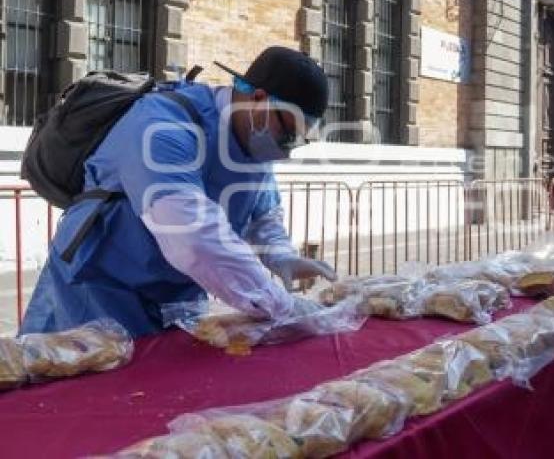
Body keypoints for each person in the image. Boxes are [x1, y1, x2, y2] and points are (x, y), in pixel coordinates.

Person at [21, 46, 337, 337]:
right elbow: (193, 236)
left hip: (176, 300)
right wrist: (280, 305)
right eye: (287, 136)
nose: (286, 151)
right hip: (97, 288)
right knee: (79, 388)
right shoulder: (162, 125)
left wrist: (280, 255)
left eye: (297, 142)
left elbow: (262, 213)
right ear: (258, 99)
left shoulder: (252, 146)